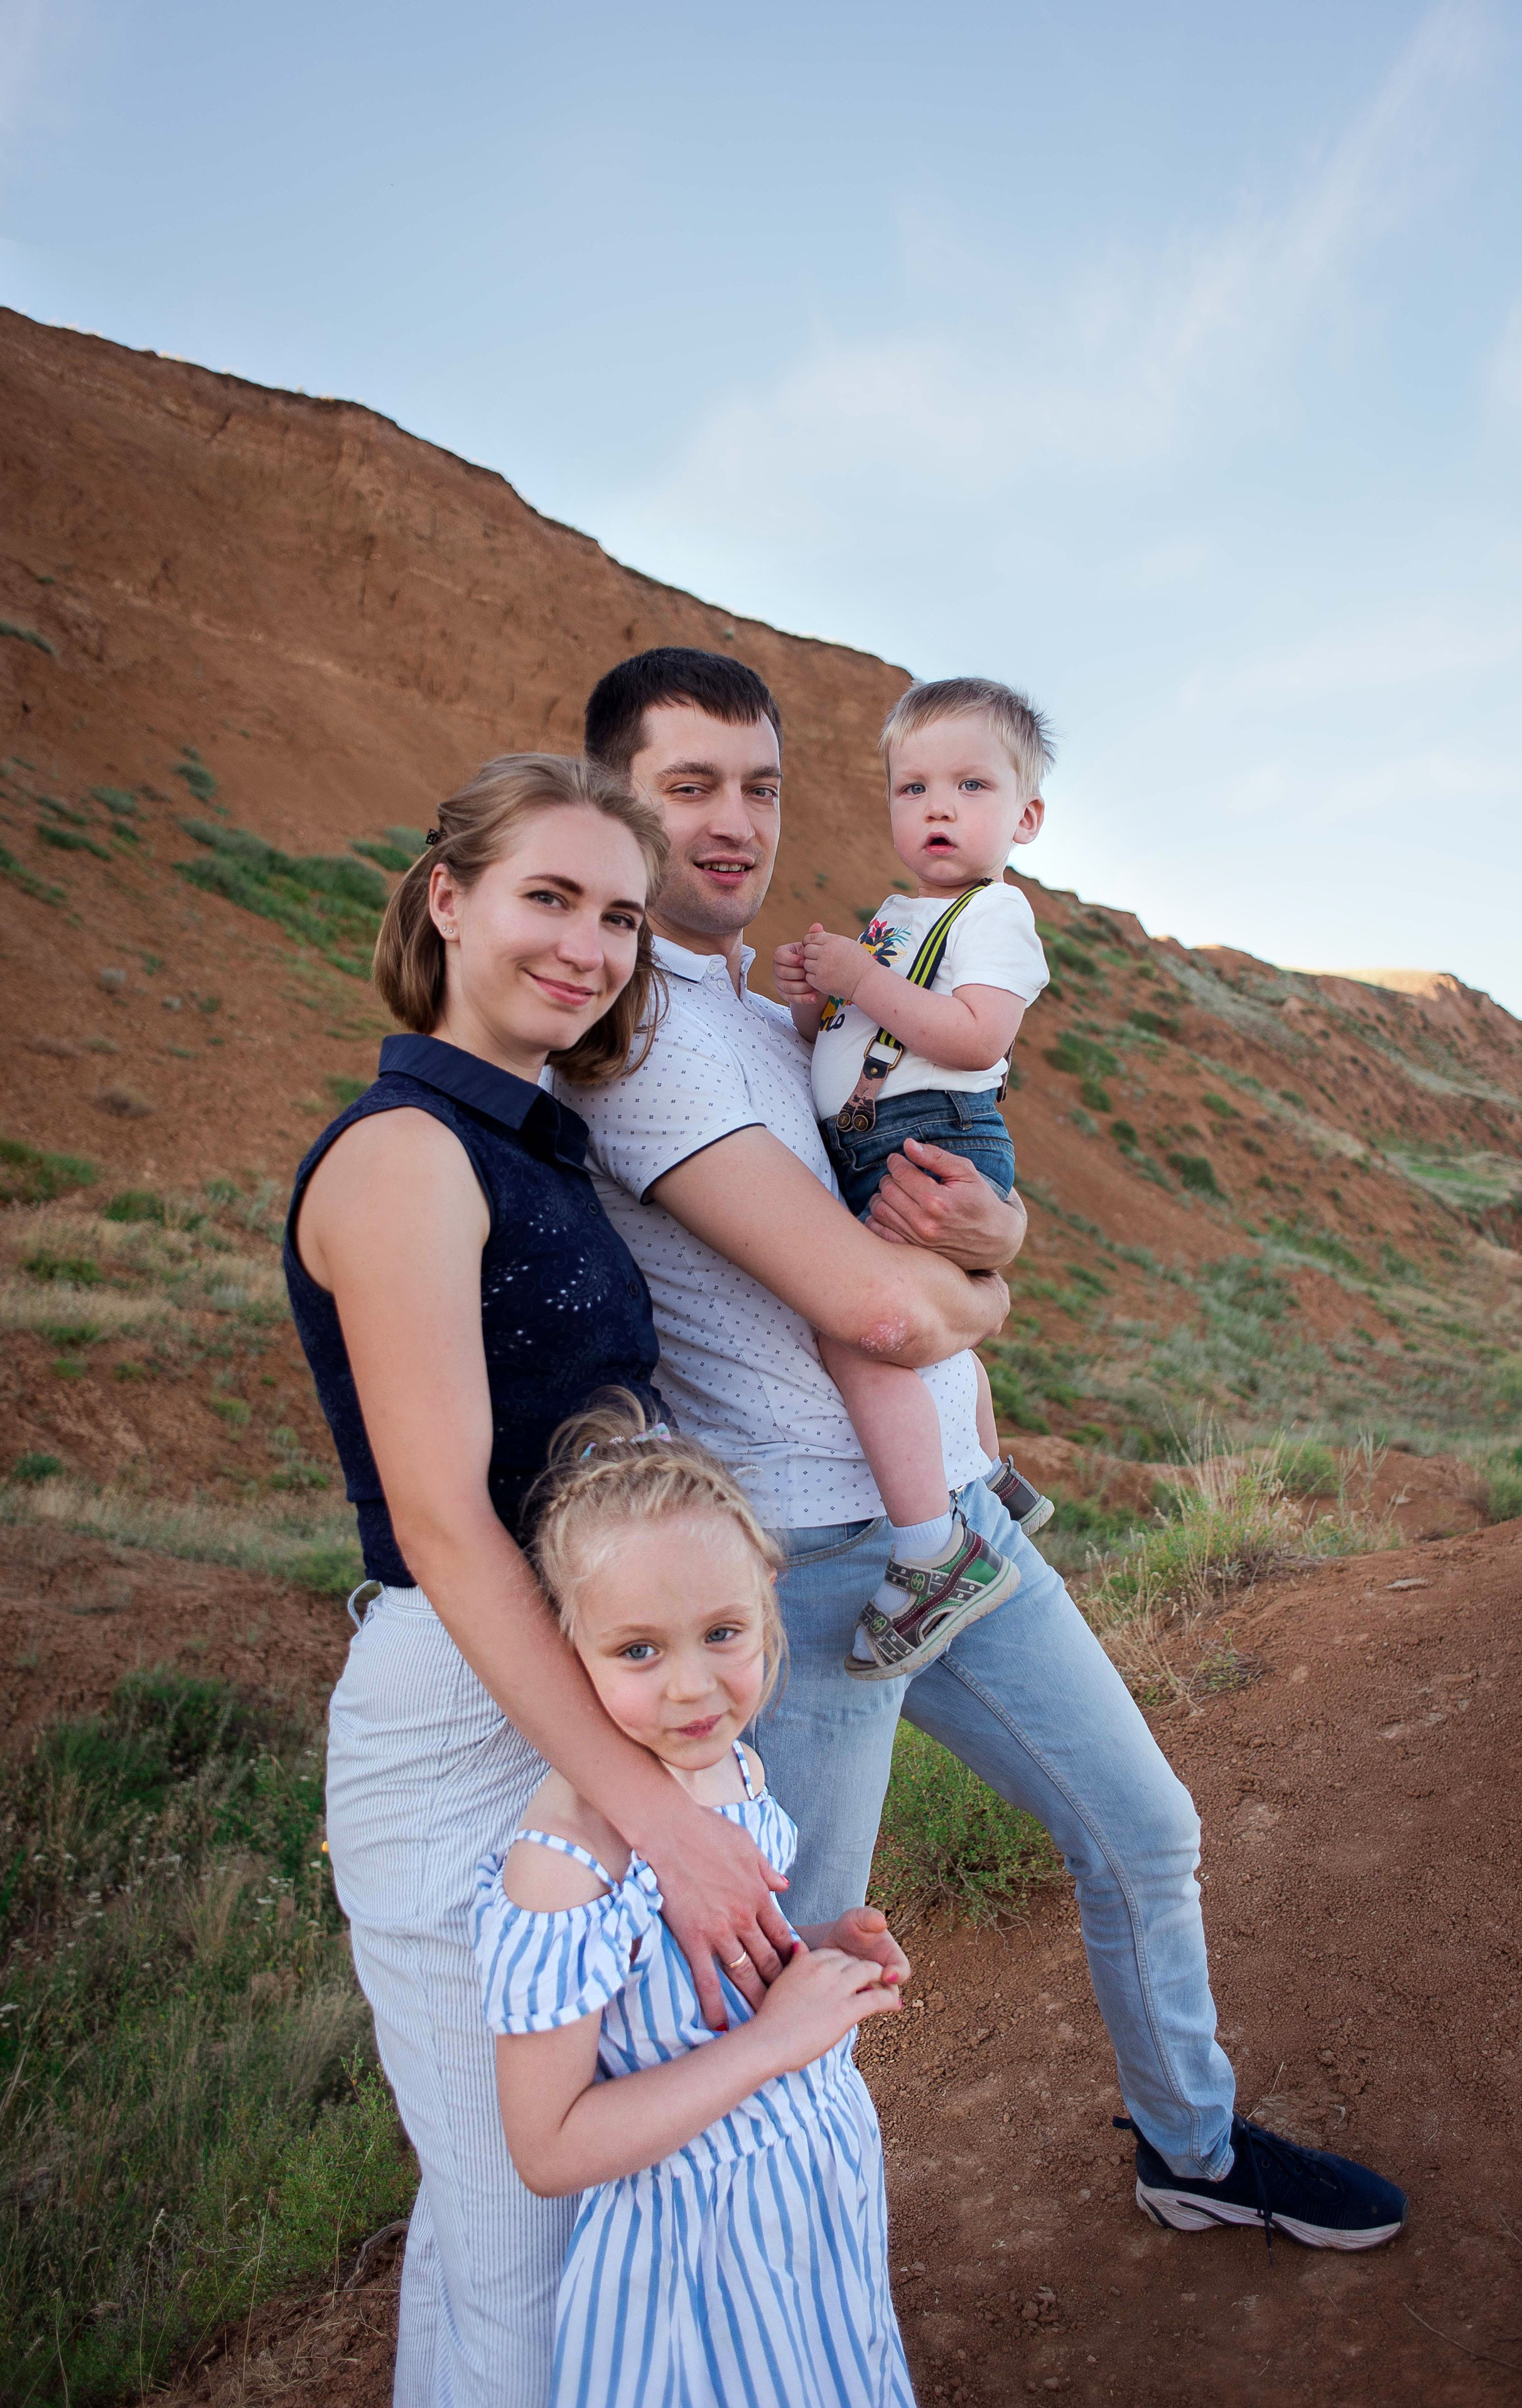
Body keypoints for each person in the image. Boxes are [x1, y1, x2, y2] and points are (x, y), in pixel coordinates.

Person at [555, 647, 1408, 2252]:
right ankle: (750, 2280)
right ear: (614, 800)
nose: (733, 823)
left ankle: (1190, 2148)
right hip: (807, 1566)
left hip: (948, 1525)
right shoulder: (643, 1037)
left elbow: (926, 1216)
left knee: (1142, 1831)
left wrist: (996, 1236)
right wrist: (992, 1290)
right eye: (688, 788)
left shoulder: (767, 1012)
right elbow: (880, 1309)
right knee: (794, 1953)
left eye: (759, 787)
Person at [284, 754, 803, 2408]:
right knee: (528, 2230)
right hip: (463, 1692)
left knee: (493, 2225)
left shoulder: (530, 1145)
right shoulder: (403, 1152)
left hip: (557, 1683)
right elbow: (446, 1522)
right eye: (550, 898)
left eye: (621, 918)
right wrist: (663, 1823)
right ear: (448, 899)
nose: (587, 947)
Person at [476, 1396, 915, 2408]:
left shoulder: (733, 1768)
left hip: (810, 2198)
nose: (691, 1689)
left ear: (768, 1604)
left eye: (722, 1633)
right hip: (695, 2257)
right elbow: (550, 2147)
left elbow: (689, 1979)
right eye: (638, 1650)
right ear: (566, 1647)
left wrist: (813, 1948)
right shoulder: (565, 1865)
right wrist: (774, 2044)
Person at [774, 676, 1055, 1682]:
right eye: (914, 788)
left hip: (932, 1139)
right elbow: (858, 1034)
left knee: (856, 1329)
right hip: (878, 1138)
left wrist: (862, 978)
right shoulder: (898, 915)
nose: (939, 807)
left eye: (972, 787)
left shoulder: (997, 913)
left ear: (1024, 819)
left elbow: (976, 1038)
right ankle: (989, 1477)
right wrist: (815, 1005)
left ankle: (935, 1549)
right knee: (926, 1322)